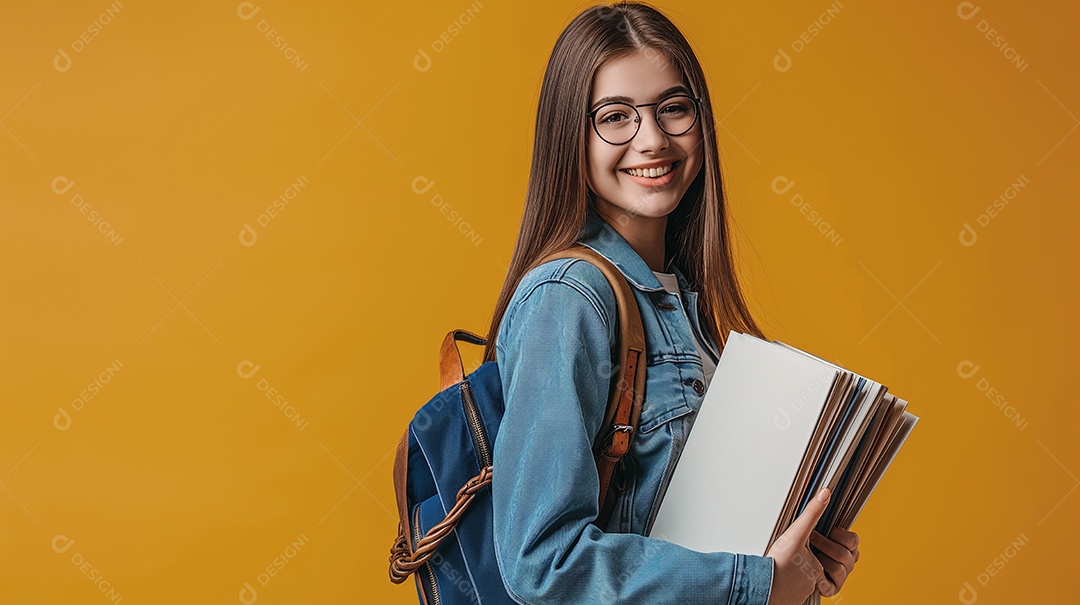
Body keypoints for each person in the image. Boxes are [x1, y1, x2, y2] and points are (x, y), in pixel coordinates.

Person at [481, 2, 859, 604]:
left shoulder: (683, 305)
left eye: (673, 109)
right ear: (569, 136)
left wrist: (799, 569)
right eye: (615, 117)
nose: (652, 139)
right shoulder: (569, 299)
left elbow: (691, 539)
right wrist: (755, 584)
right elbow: (542, 563)